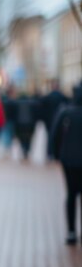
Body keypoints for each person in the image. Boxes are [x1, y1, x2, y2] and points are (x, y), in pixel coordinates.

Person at [49, 82, 82, 245]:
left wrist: (55, 155)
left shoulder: (66, 112)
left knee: (71, 194)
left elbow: (55, 135)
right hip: (71, 159)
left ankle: (71, 231)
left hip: (69, 160)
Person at [40, 80, 69, 159]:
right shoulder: (62, 97)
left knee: (50, 137)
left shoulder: (47, 97)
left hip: (49, 121)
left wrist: (44, 119)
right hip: (59, 121)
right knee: (59, 137)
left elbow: (42, 109)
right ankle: (56, 153)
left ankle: (50, 153)